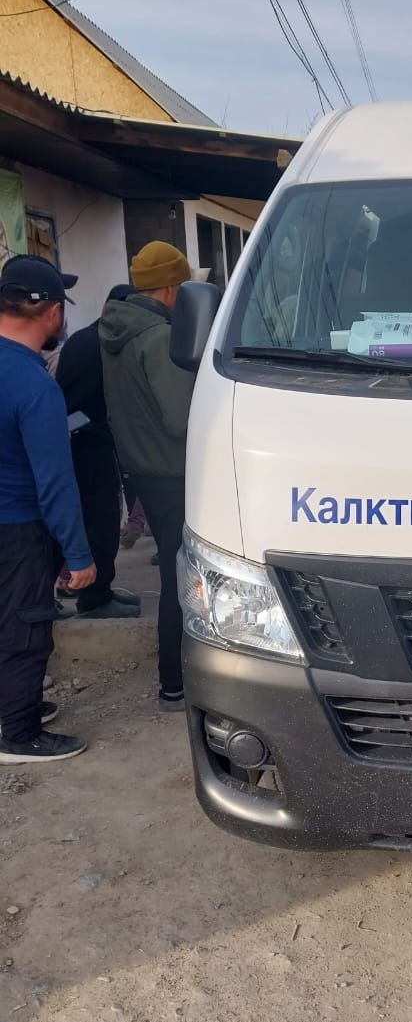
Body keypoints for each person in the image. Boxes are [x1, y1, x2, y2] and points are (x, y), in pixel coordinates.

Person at [0, 256, 96, 763]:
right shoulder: (35, 385)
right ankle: (18, 733)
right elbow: (55, 482)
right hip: (18, 528)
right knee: (25, 629)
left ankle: (11, 707)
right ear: (53, 312)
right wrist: (79, 555)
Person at [100, 242, 195, 713]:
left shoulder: (113, 330)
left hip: (141, 467)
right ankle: (174, 683)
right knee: (183, 578)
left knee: (174, 570)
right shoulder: (158, 337)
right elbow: (180, 417)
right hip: (173, 470)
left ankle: (173, 681)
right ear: (172, 288)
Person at [56, 285, 142, 620]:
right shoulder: (98, 345)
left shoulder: (86, 339)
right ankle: (94, 599)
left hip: (85, 443)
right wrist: (97, 425)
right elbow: (73, 409)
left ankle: (100, 591)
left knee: (101, 521)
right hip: (87, 446)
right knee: (101, 523)